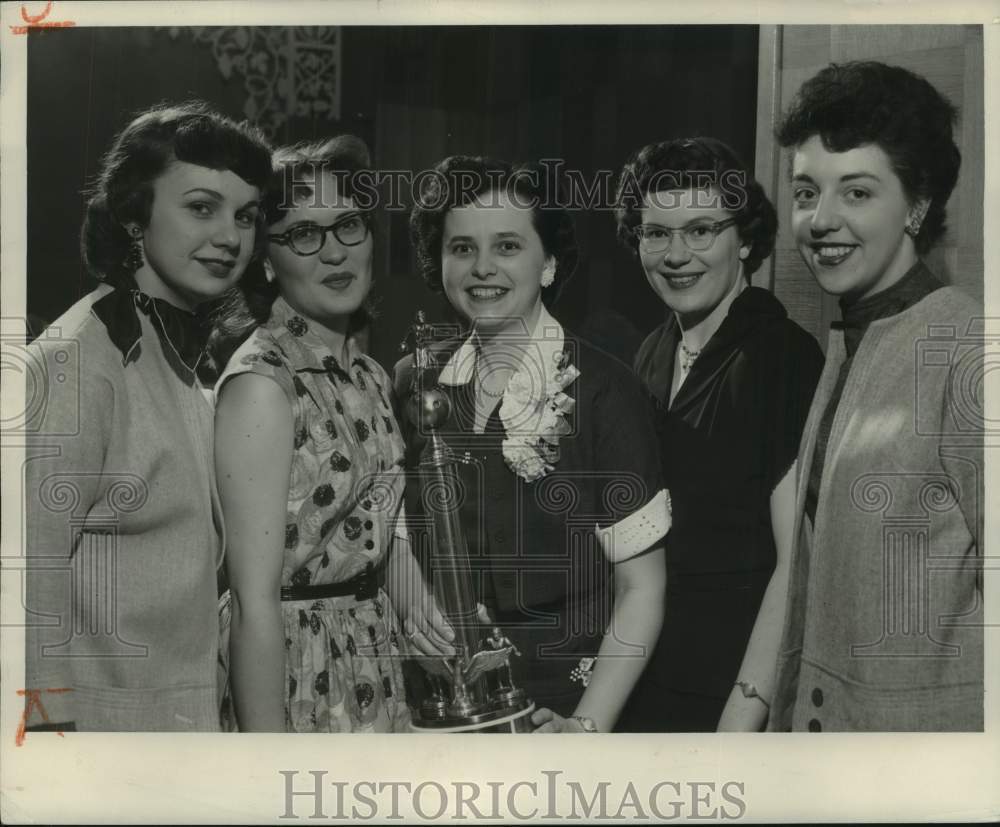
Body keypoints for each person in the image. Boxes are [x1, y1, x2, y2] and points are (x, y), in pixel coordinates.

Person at [398, 156, 670, 733]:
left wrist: (586, 728)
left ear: (548, 264)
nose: (482, 268)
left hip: (566, 706)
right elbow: (394, 532)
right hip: (442, 700)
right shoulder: (414, 382)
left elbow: (642, 588)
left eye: (507, 247)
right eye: (462, 248)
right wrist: (407, 595)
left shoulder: (605, 389)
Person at [23, 102, 272, 731]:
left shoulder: (183, 357)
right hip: (101, 745)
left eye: (245, 216)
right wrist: (49, 742)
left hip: (184, 734)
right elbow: (27, 577)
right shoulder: (75, 358)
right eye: (200, 207)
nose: (229, 238)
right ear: (135, 216)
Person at [768, 61, 983, 731]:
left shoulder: (968, 347)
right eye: (806, 193)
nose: (820, 220)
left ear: (917, 204)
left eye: (857, 193)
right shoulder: (851, 337)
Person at [612, 137, 824, 732]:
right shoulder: (652, 354)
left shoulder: (781, 355)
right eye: (656, 233)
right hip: (649, 677)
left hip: (731, 692)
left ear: (746, 240)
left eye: (701, 230)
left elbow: (796, 562)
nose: (677, 254)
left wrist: (742, 716)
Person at [210, 136, 414, 732]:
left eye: (348, 224)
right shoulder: (263, 383)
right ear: (267, 261)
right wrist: (269, 773)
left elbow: (376, 530)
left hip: (375, 658)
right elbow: (252, 604)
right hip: (296, 672)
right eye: (304, 234)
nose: (334, 252)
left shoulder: (370, 374)